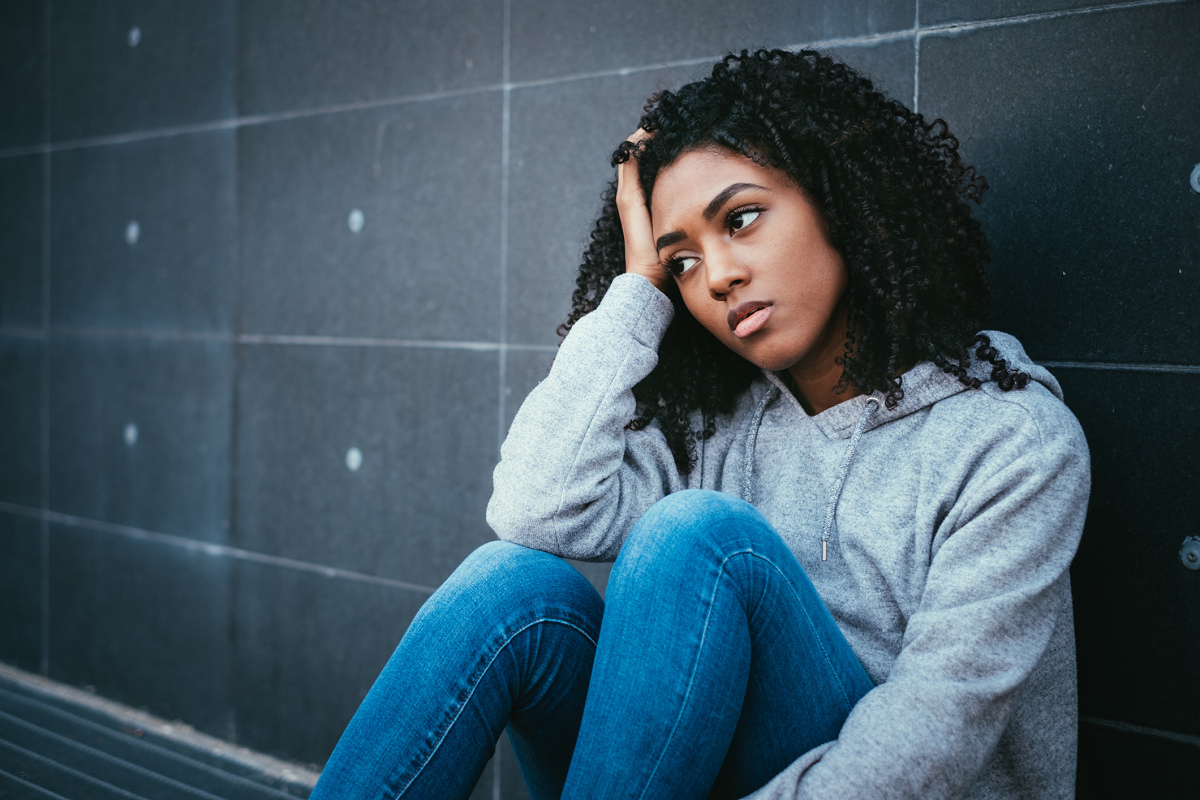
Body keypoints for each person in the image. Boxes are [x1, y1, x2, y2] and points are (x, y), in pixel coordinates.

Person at [311, 49, 1090, 800]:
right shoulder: (723, 427)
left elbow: (936, 733)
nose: (716, 275)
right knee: (511, 586)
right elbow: (533, 508)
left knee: (698, 537)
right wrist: (638, 285)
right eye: (682, 260)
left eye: (742, 219)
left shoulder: (1010, 440)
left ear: (840, 203)